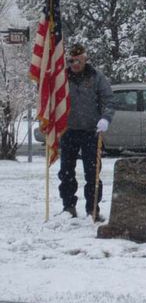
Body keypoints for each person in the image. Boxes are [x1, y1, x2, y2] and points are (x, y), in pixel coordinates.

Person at [59, 43, 114, 221]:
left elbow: (109, 100)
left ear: (85, 59)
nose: (74, 64)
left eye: (78, 60)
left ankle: (92, 209)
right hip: (68, 130)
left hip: (91, 131)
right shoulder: (62, 78)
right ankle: (68, 207)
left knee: (92, 173)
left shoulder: (96, 77)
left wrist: (106, 117)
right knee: (66, 172)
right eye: (71, 60)